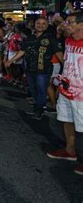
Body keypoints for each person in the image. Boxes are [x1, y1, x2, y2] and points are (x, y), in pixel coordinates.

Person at [46, 12, 83, 176]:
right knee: (66, 120)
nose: (67, 25)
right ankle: (70, 151)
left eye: (71, 22)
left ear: (82, 25)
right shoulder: (68, 40)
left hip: (81, 93)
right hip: (66, 89)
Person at [5, 17, 63, 120]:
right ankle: (39, 106)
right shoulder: (30, 38)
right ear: (35, 25)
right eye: (38, 23)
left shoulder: (51, 38)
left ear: (47, 25)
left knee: (41, 90)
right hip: (30, 69)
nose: (40, 25)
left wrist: (66, 67)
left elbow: (59, 53)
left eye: (43, 23)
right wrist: (11, 60)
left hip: (44, 70)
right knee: (33, 90)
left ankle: (39, 110)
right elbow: (22, 51)